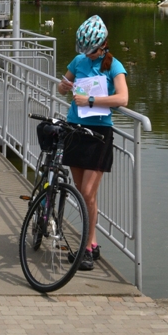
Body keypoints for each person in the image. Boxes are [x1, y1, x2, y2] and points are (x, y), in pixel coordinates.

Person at [58, 15, 128, 272]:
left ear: (103, 46)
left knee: (87, 193)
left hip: (99, 133)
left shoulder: (114, 66)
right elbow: (61, 87)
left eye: (92, 51)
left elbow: (123, 98)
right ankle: (94, 243)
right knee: (81, 192)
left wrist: (90, 101)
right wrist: (64, 87)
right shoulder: (78, 61)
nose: (88, 56)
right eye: (85, 51)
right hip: (75, 128)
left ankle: (86, 248)